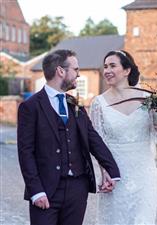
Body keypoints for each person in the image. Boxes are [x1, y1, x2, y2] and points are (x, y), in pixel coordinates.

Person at [17, 49, 120, 225]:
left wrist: (111, 170)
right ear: (60, 71)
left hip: (77, 190)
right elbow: (26, 152)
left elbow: (92, 137)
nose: (78, 75)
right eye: (76, 70)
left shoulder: (74, 104)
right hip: (46, 190)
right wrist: (36, 191)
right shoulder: (30, 107)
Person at [89, 50, 157, 225]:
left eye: (112, 65)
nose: (107, 70)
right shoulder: (98, 104)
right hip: (115, 176)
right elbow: (97, 145)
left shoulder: (147, 99)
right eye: (105, 66)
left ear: (127, 71)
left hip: (144, 176)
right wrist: (105, 174)